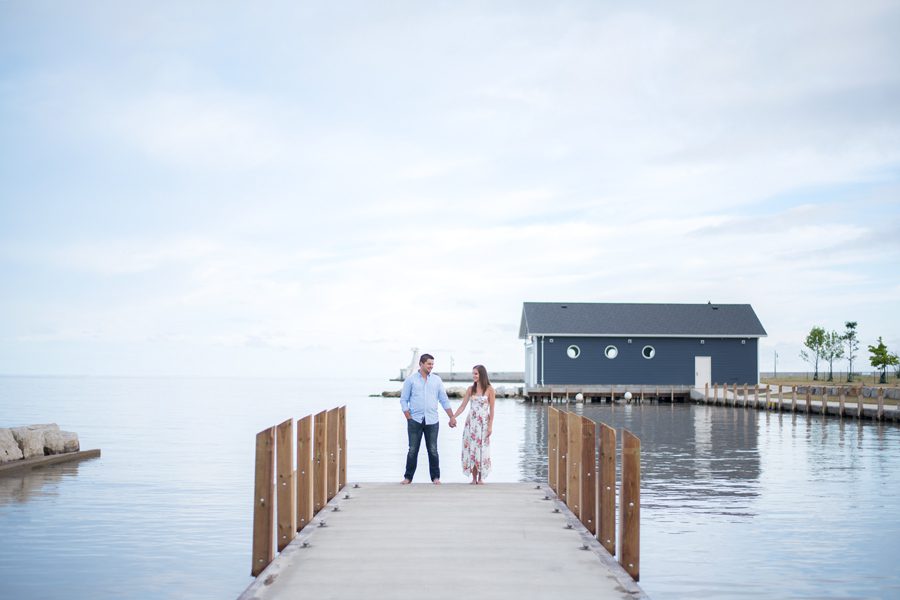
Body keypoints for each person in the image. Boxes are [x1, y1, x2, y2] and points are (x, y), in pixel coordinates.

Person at [400, 353, 456, 484]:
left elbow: (444, 400)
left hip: (432, 420)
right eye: (429, 364)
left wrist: (451, 417)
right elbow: (404, 400)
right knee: (413, 450)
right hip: (415, 420)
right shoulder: (411, 380)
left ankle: (435, 478)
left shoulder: (437, 380)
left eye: (432, 364)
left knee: (433, 450)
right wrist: (408, 416)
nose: (431, 366)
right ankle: (408, 478)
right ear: (421, 364)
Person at [453, 364, 495, 484]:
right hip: (471, 423)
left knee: (482, 449)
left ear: (482, 374)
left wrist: (490, 426)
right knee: (471, 448)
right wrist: (453, 417)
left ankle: (481, 478)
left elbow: (492, 410)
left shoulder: (490, 389)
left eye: (476, 373)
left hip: (483, 423)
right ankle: (473, 478)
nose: (474, 376)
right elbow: (462, 406)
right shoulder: (470, 389)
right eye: (473, 374)